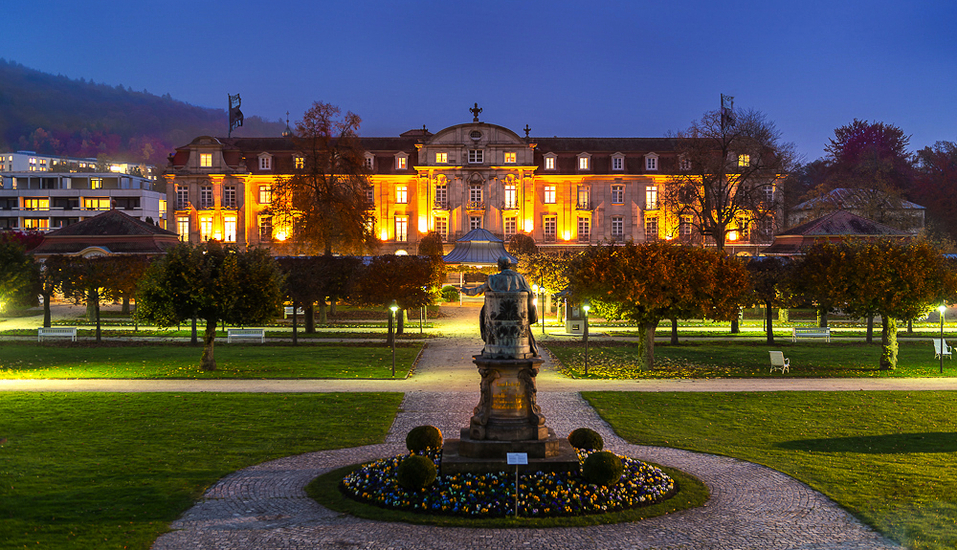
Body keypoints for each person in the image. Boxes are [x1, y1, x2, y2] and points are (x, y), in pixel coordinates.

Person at [461, 257, 538, 356]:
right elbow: (531, 294)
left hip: (496, 318)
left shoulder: (493, 279)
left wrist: (464, 290)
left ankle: (488, 340)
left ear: (500, 265)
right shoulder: (520, 278)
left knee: (484, 313)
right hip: (518, 319)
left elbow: (477, 291)